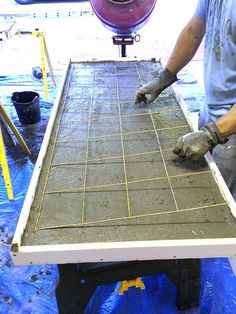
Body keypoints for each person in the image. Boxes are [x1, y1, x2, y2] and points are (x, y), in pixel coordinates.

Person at [135, 0, 236, 199]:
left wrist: (212, 134)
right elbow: (193, 31)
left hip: (231, 127)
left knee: (221, 206)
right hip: (211, 111)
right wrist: (164, 78)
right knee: (204, 189)